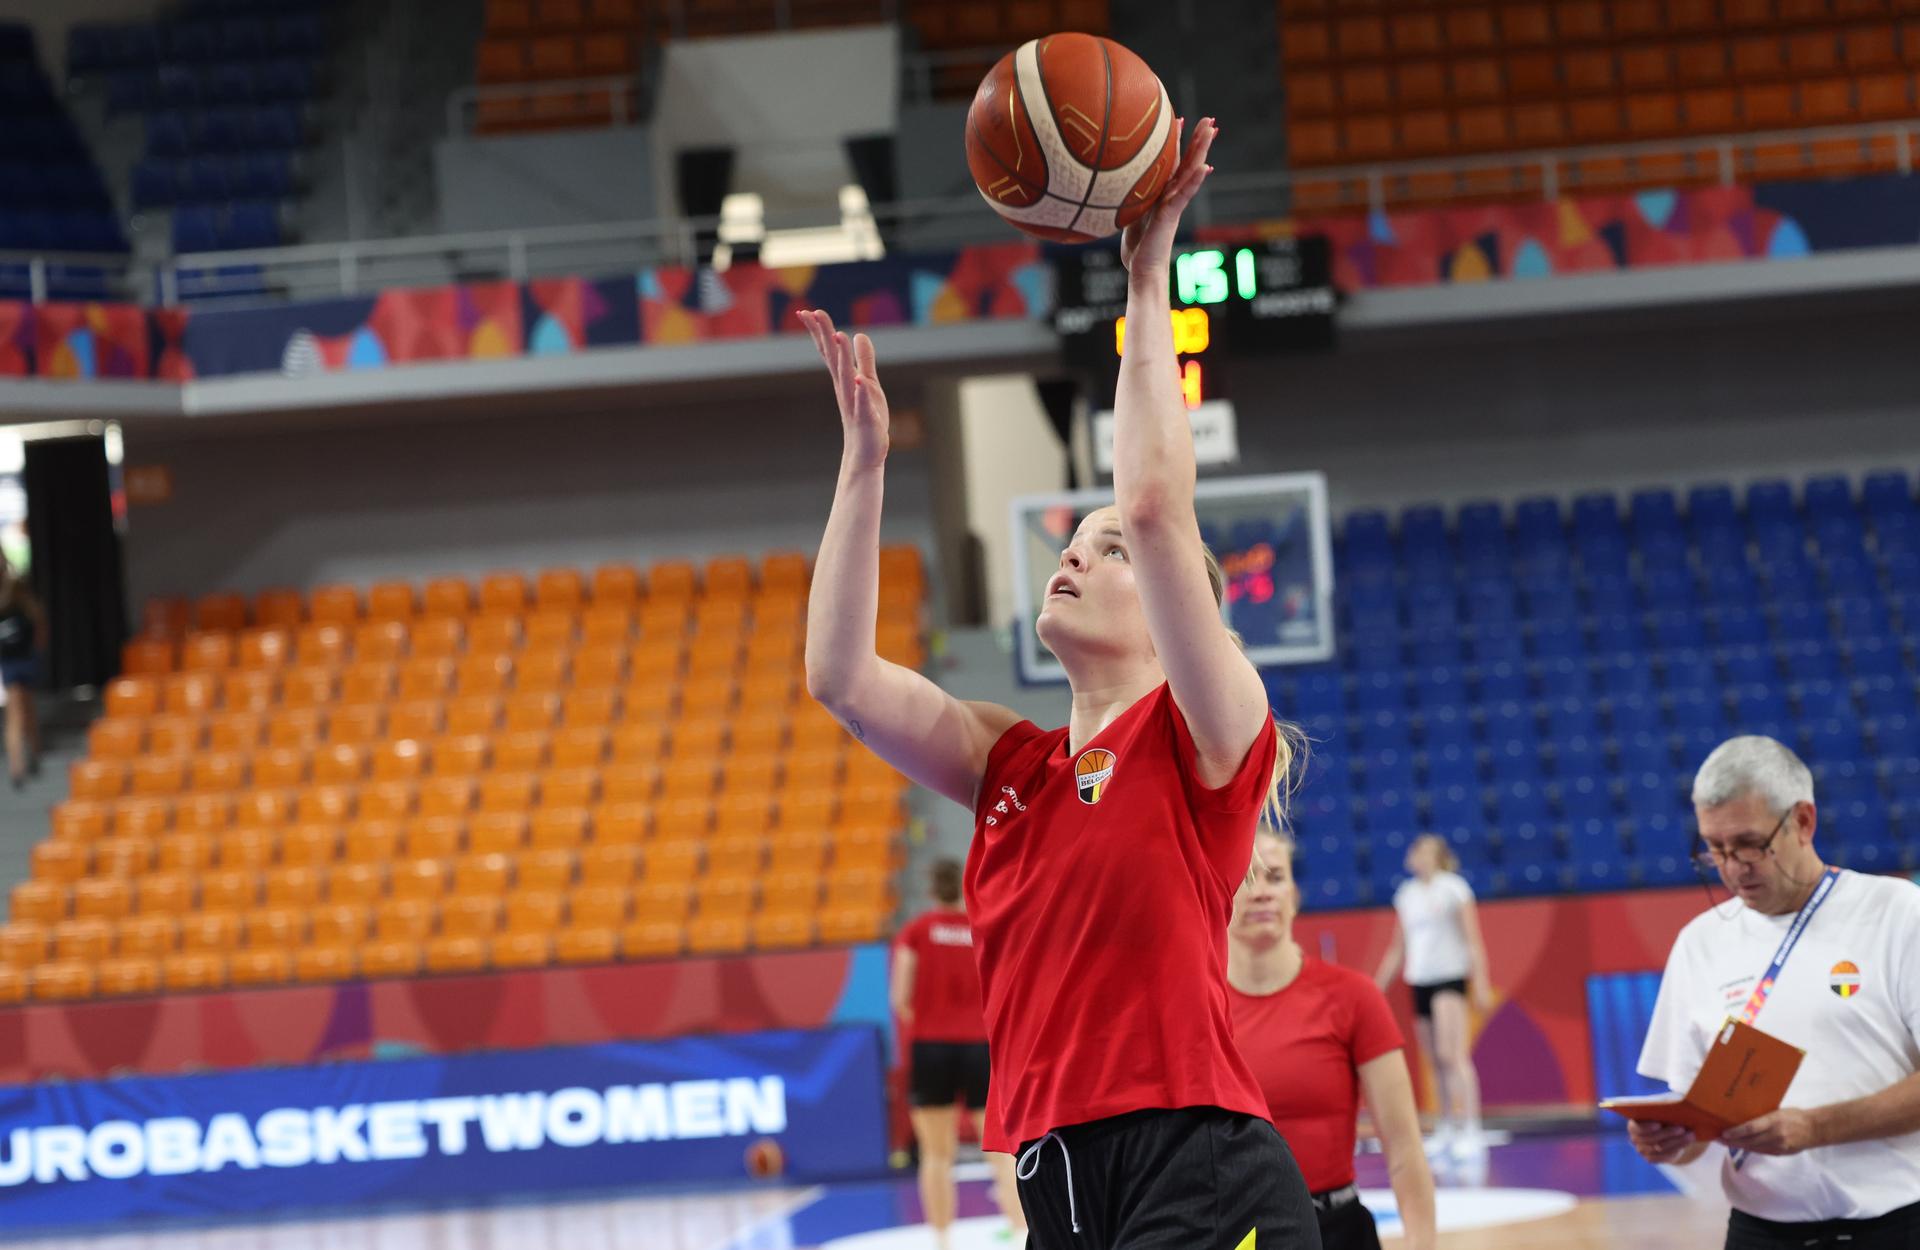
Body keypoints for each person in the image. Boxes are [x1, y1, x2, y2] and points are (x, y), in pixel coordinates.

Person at [799, 115, 1320, 1250]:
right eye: (1071, 541)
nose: (1077, 552)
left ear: (1190, 612)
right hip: (1052, 1170)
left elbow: (1151, 502)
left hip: (1199, 1155)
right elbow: (838, 675)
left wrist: (1146, 279)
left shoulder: (1209, 740)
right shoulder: (1011, 764)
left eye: (1109, 550)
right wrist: (867, 465)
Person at [1628, 736, 1920, 1249]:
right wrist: (1672, 1138)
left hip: (1895, 1224)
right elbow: (1699, 1113)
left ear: (1803, 822)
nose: (1732, 866)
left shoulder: (1897, 913)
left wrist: (1814, 1127)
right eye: (1714, 849)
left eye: (1748, 843)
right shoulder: (1701, 942)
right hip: (1760, 1231)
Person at [1229, 829, 1437, 1250]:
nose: (1262, 892)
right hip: (1233, 1233)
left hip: (1337, 1231)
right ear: (1218, 894)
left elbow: (1403, 1149)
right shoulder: (1195, 1006)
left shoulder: (1354, 997)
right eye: (1244, 878)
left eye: (1275, 877)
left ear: (1294, 894)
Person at [892, 859, 1024, 1248]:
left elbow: (901, 998)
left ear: (931, 890)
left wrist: (928, 1017)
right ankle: (1021, 1232)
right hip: (980, 1046)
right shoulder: (981, 926)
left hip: (932, 1046)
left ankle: (942, 1239)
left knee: (936, 1154)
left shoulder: (916, 932)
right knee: (1002, 1150)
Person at [1373, 834, 1495, 1162]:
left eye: (1428, 852)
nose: (1421, 857)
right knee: (1434, 1059)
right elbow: (1398, 946)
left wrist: (1480, 982)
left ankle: (1470, 1126)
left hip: (1449, 978)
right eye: (1417, 851)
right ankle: (1446, 1125)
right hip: (1421, 979)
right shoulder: (1407, 894)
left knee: (1452, 1053)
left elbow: (1473, 940)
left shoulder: (1454, 888)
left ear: (1440, 857)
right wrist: (1376, 987)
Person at [0, 556, 43, 790]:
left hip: (26, 656)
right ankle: (17, 767)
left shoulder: (19, 590)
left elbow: (37, 618)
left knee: (28, 709)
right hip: (9, 661)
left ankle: (34, 752)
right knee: (15, 712)